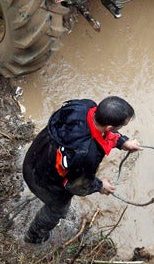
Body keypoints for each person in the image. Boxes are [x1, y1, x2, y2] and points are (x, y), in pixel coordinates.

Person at [22, 96, 143, 244]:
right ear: (110, 128)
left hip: (35, 157)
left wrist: (122, 142)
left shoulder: (83, 107)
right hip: (42, 181)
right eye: (120, 127)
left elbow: (100, 133)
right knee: (57, 210)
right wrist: (100, 186)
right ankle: (33, 237)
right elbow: (76, 186)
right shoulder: (86, 154)